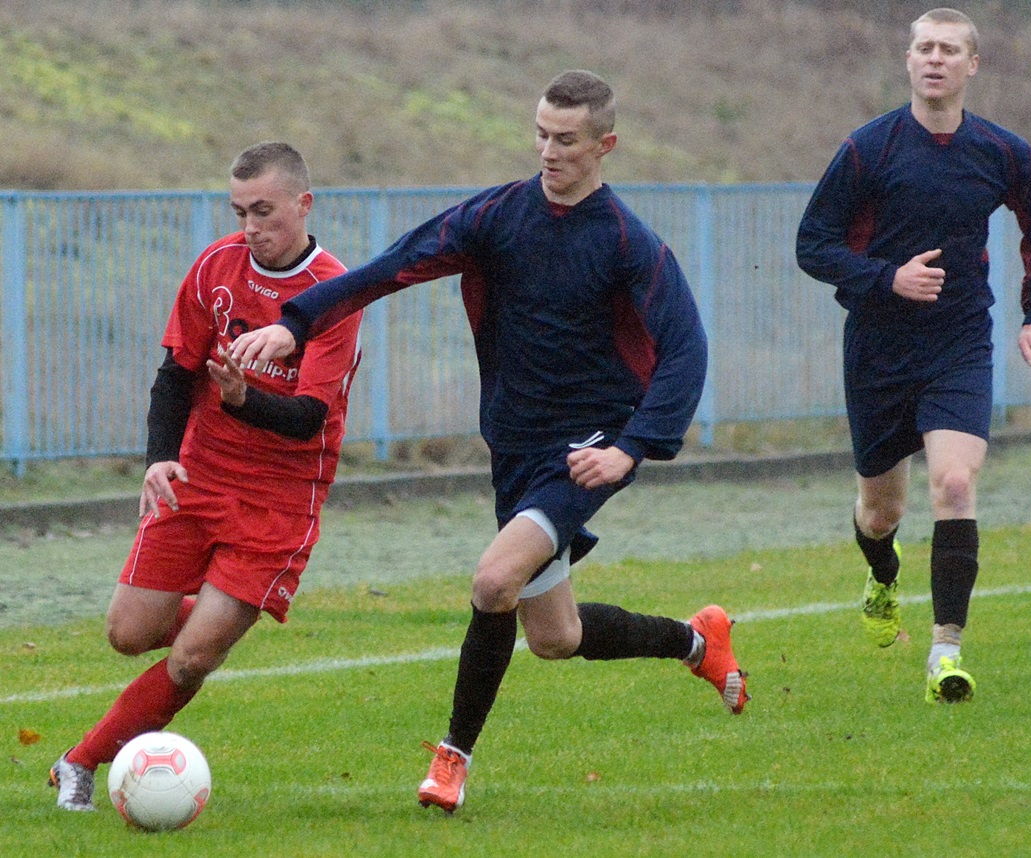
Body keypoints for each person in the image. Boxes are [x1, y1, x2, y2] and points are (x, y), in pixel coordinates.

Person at [228, 70, 747, 815]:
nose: (548, 150)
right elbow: (393, 265)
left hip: (587, 449)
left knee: (492, 581)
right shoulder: (499, 216)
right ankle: (698, 642)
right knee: (555, 636)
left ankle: (451, 762)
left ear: (607, 145)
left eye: (566, 139)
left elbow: (686, 352)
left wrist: (631, 449)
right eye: (540, 133)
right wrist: (298, 321)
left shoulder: (630, 243)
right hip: (515, 448)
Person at [49, 142, 364, 811]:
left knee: (191, 661)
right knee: (127, 634)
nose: (251, 226)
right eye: (240, 210)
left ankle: (80, 763)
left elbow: (309, 418)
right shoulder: (215, 268)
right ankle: (222, 614)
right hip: (200, 476)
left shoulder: (334, 292)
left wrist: (245, 398)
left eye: (265, 210)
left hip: (281, 498)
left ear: (303, 205)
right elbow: (174, 375)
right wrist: (159, 457)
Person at [796, 8, 1031, 703]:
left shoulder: (1003, 152)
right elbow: (814, 244)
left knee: (953, 485)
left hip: (958, 343)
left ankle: (945, 653)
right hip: (878, 347)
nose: (935, 59)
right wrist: (887, 278)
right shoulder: (868, 148)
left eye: (949, 49)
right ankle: (882, 577)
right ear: (909, 61)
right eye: (924, 47)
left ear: (972, 64)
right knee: (879, 511)